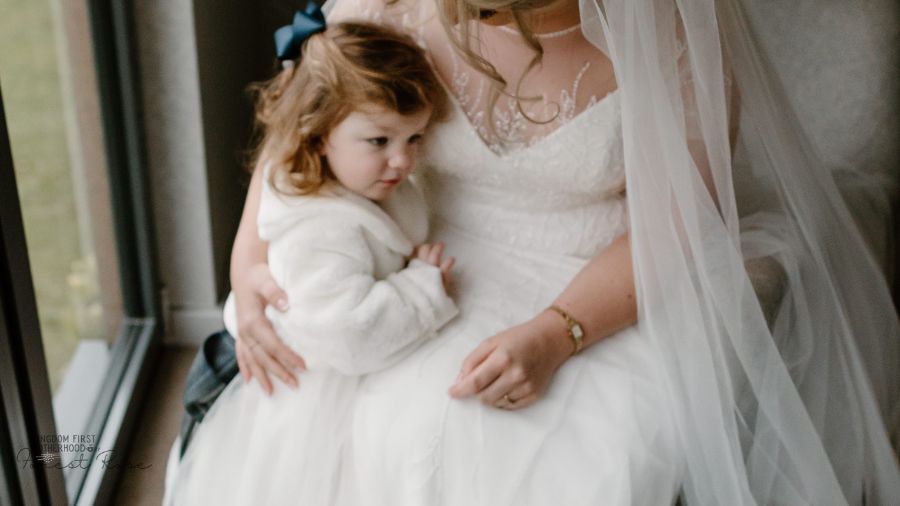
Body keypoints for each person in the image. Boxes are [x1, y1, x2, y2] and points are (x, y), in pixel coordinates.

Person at [231, 0, 900, 504]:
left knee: (543, 455)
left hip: (599, 270)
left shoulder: (666, 30)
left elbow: (676, 222)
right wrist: (249, 262)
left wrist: (559, 333)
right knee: (316, 415)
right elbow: (302, 120)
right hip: (416, 242)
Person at [164, 17, 459, 505]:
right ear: (320, 135)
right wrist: (422, 285)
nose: (404, 162)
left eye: (415, 138)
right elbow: (351, 334)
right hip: (313, 382)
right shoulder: (321, 229)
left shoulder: (343, 176)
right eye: (380, 141)